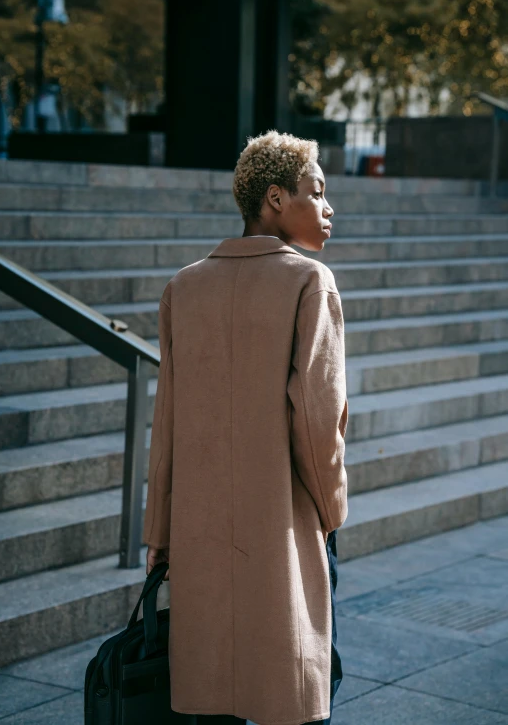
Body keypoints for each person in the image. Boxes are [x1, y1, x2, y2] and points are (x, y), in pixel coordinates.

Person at [143, 130, 349, 725]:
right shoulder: (310, 282)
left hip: (200, 530)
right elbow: (317, 421)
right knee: (290, 689)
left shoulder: (183, 286)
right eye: (317, 191)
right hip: (282, 521)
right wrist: (332, 512)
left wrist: (159, 529)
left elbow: (168, 421)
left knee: (211, 696)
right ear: (276, 198)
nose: (329, 208)